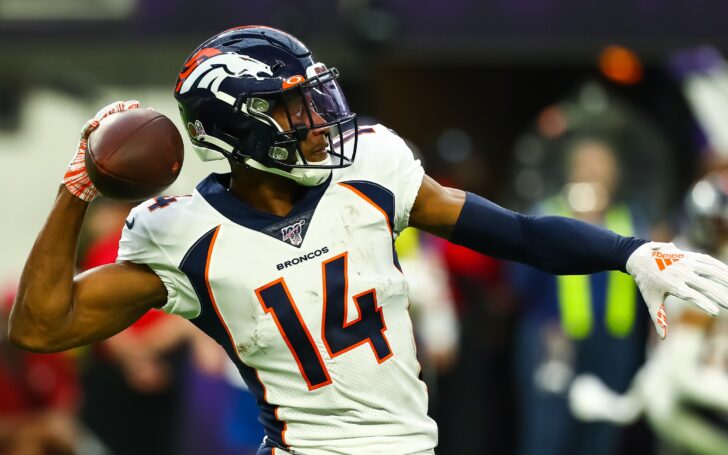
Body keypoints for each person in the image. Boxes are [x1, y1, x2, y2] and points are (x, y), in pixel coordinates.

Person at [8, 26, 728, 455]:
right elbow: (41, 325)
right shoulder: (180, 231)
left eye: (315, 97)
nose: (319, 118)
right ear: (236, 126)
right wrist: (76, 192)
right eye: (293, 106)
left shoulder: (373, 166)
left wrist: (628, 252)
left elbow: (511, 231)